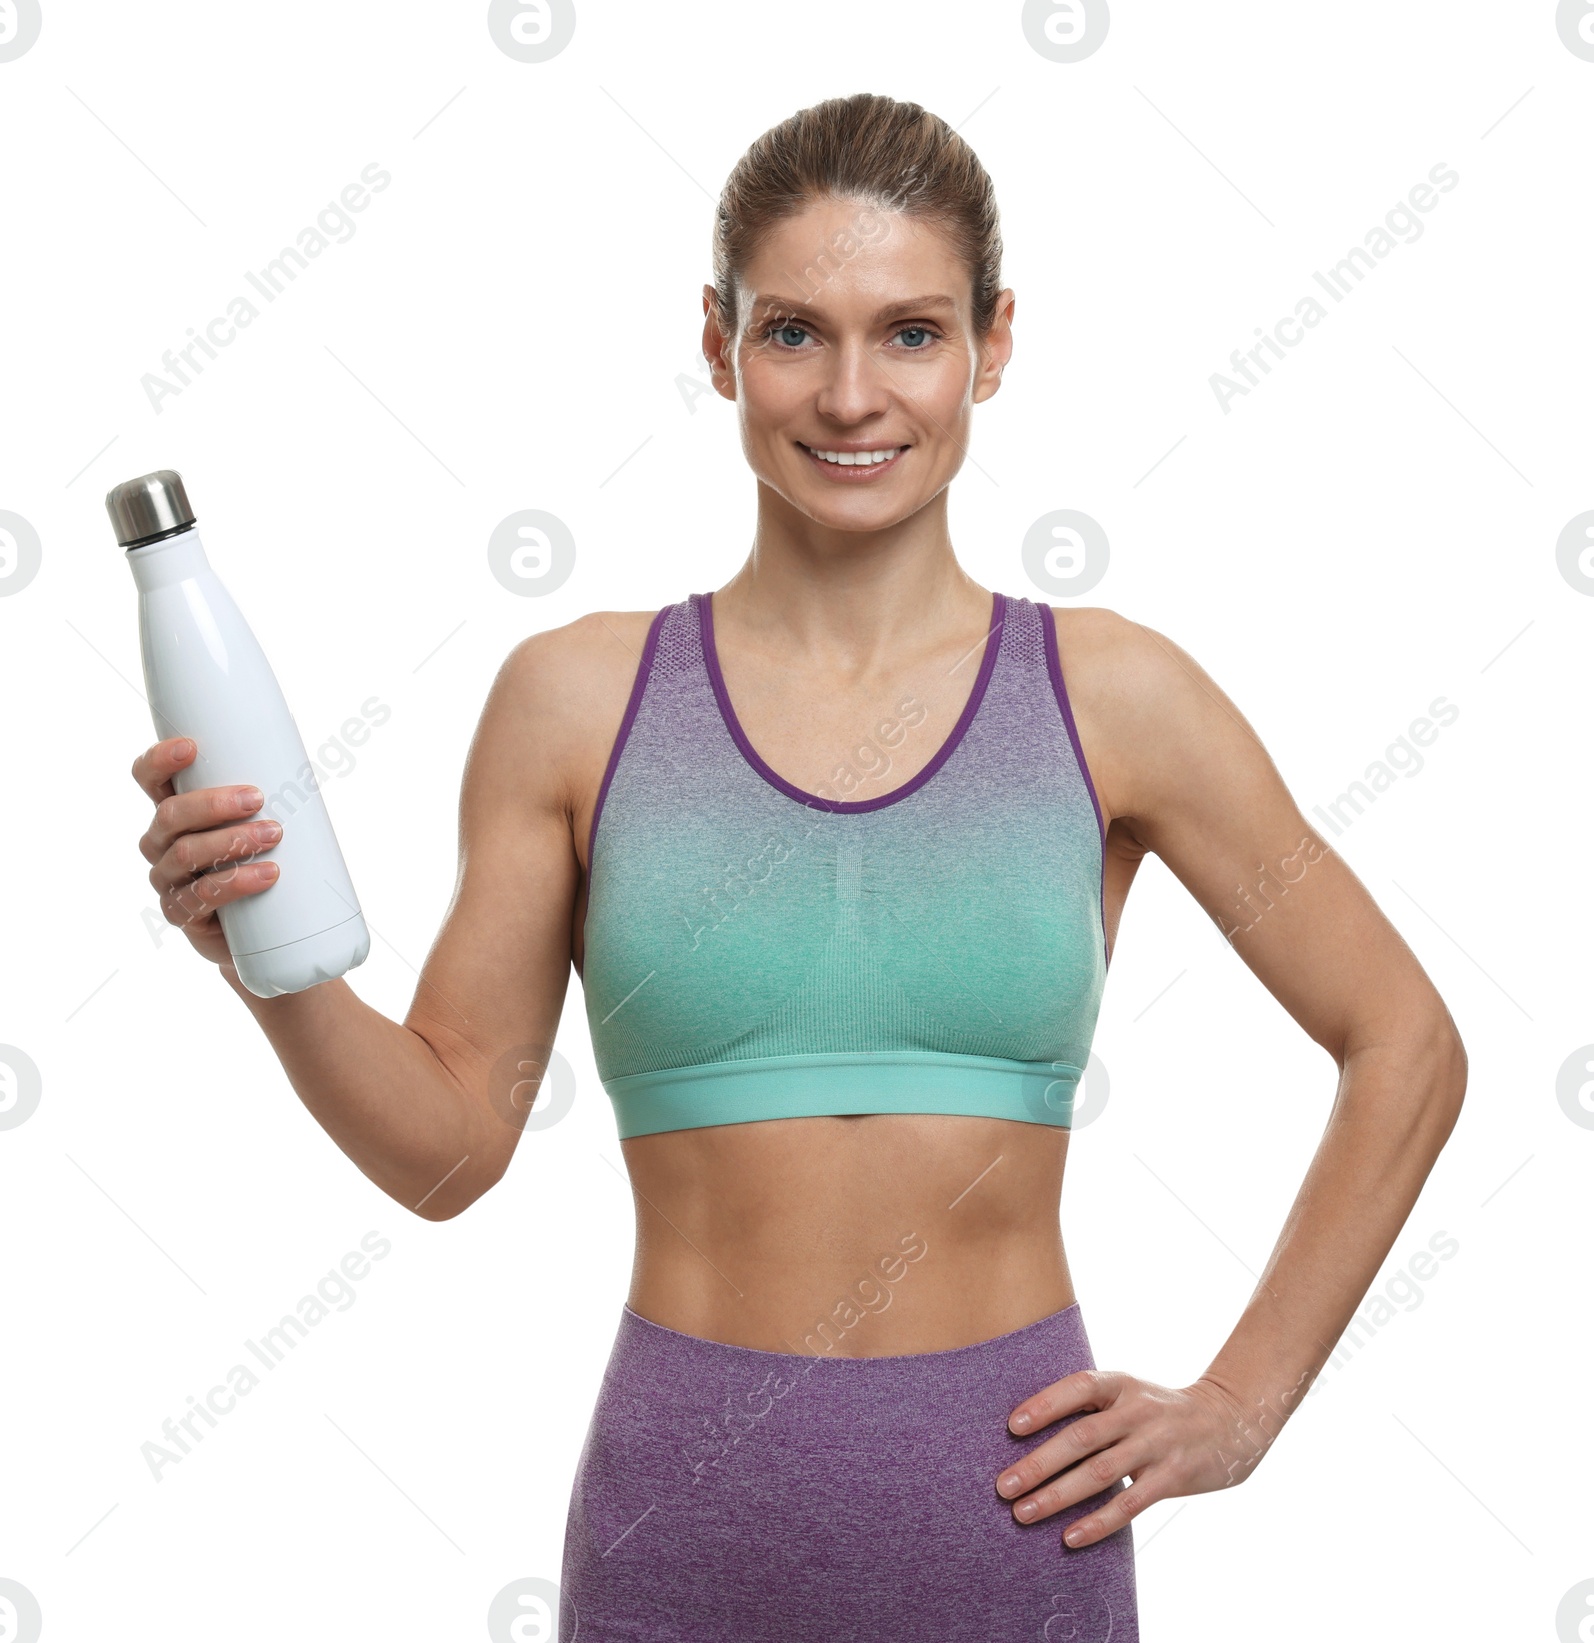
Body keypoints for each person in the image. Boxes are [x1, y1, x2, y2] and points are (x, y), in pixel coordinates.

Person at [131, 92, 1467, 1641]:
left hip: (1013, 1544)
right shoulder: (577, 699)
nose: (850, 396)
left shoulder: (1117, 698)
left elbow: (1406, 1044)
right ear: (716, 346)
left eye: (909, 333)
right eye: (792, 334)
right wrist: (271, 975)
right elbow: (448, 1153)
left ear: (994, 343)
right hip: (680, 1547)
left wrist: (1242, 1405)